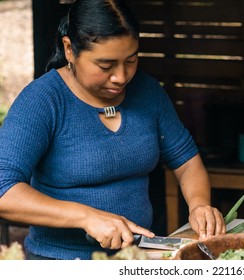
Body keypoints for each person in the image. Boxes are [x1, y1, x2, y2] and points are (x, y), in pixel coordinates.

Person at [0, 0, 225, 260]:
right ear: (69, 49)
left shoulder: (148, 92)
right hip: (59, 263)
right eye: (105, 66)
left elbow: (186, 162)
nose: (121, 76)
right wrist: (85, 216)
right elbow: (4, 191)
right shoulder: (43, 101)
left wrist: (199, 206)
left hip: (136, 258)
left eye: (131, 60)